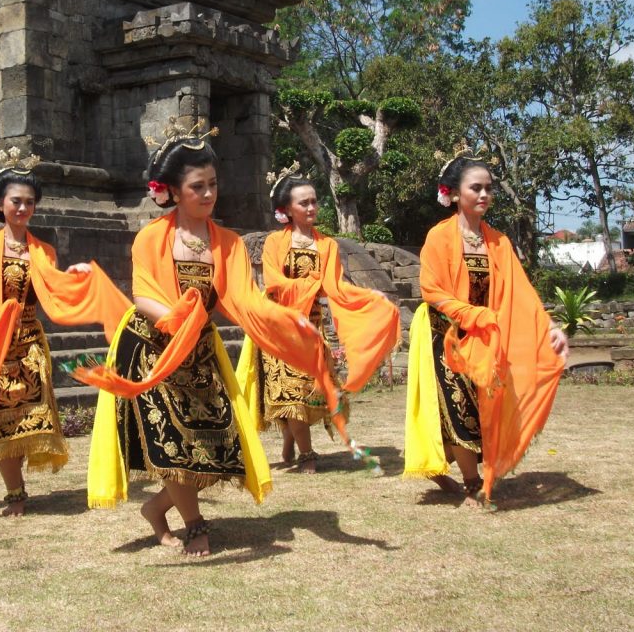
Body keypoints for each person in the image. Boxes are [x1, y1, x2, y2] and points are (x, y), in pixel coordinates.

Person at [77, 122, 331, 557]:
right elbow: (143, 295)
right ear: (173, 191)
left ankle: (156, 510)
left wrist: (290, 323)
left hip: (199, 354)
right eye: (198, 186)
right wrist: (179, 318)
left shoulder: (228, 243)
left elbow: (246, 299)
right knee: (173, 441)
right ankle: (195, 524)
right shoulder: (151, 238)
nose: (209, 194)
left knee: (208, 447)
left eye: (213, 184)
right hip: (151, 349)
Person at [0, 147, 129, 517]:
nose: (23, 209)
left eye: (29, 202)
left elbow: (53, 291)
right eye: (16, 201)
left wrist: (76, 275)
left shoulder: (42, 250)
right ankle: (15, 491)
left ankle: (19, 484)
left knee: (32, 413)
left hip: (28, 341)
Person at [403, 153, 568, 508]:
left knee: (486, 406)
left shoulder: (498, 242)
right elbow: (432, 290)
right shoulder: (439, 237)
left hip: (486, 339)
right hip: (446, 336)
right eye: (475, 188)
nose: (483, 195)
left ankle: (451, 463)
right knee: (460, 405)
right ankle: (471, 481)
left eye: (488, 189)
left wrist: (549, 327)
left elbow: (521, 292)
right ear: (454, 193)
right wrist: (471, 315)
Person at [243, 164, 401, 473]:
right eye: (304, 203)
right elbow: (274, 284)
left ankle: (291, 436)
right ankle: (307, 454)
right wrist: (312, 284)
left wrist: (371, 297)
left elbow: (336, 287)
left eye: (314, 201)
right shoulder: (276, 243)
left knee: (309, 389)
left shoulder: (327, 245)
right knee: (288, 389)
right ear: (287, 209)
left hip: (312, 328)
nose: (312, 207)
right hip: (280, 327)